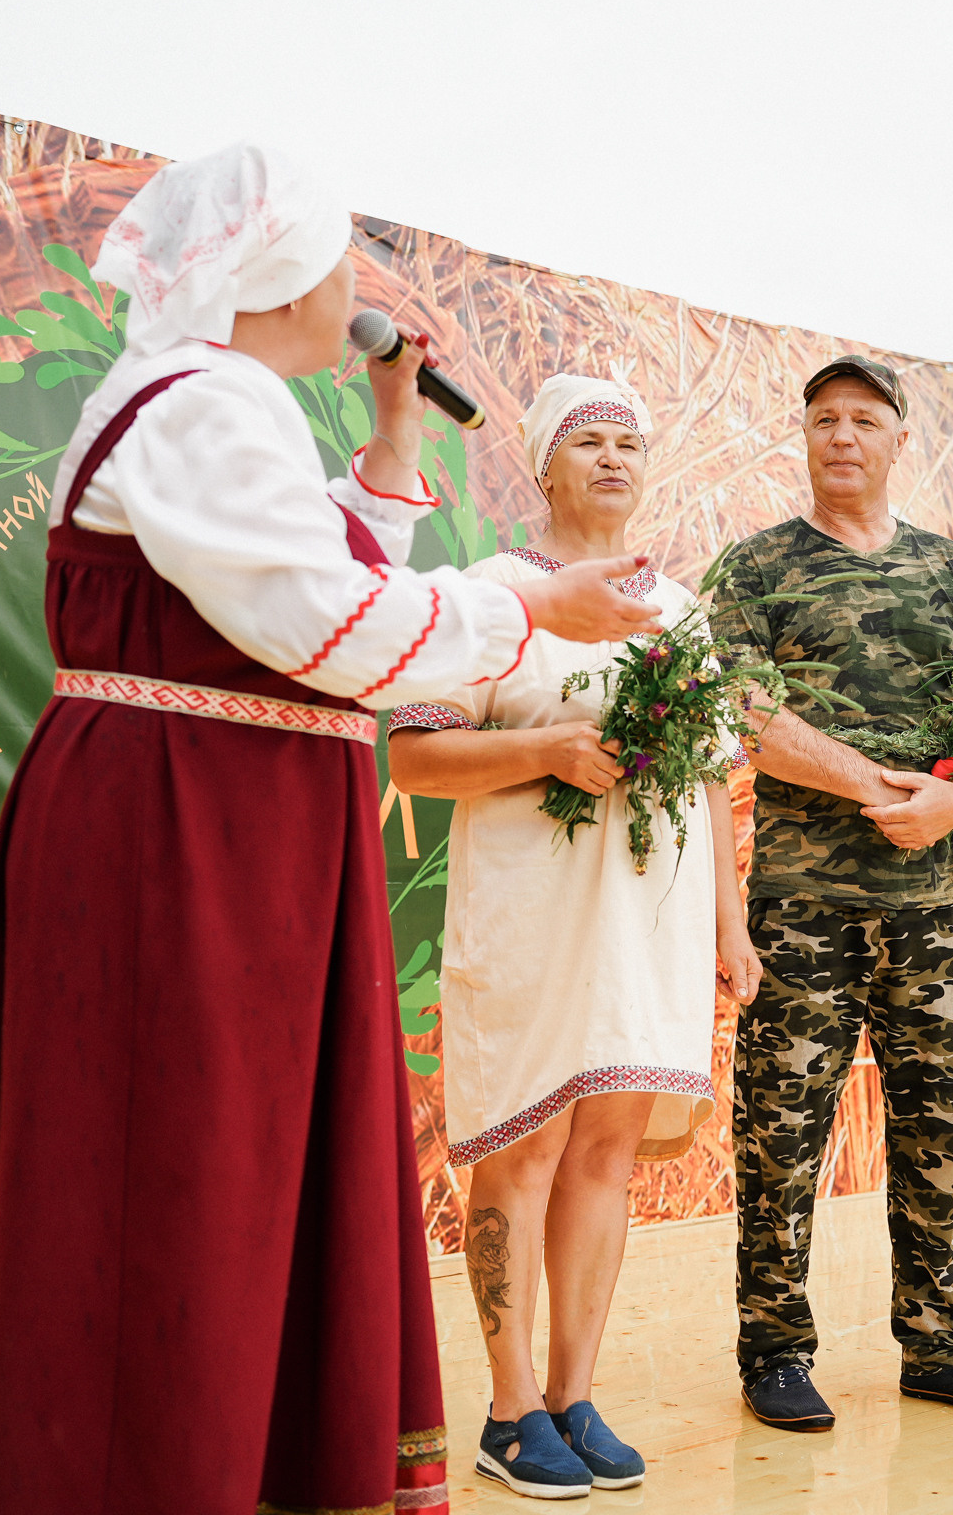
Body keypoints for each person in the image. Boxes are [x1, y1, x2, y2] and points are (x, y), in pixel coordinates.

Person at [0, 145, 660, 1515]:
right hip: (179, 836)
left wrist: (394, 430)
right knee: (176, 1162)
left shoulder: (221, 402)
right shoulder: (199, 402)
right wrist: (528, 608)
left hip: (234, 831)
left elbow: (318, 568)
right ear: (271, 277)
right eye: (336, 262)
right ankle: (150, 1475)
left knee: (238, 1165)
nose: (354, 290)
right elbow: (329, 625)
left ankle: (242, 1458)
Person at [387, 374, 761, 1498]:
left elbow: (707, 778)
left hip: (649, 918)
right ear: (543, 465)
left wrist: (728, 925)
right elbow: (415, 756)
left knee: (606, 1152)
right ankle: (508, 1413)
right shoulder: (494, 594)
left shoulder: (677, 609)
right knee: (526, 1150)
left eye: (628, 442)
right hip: (533, 916)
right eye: (587, 440)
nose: (612, 458)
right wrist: (545, 750)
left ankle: (573, 1396)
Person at [715, 354, 953, 1431]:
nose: (842, 435)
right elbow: (748, 711)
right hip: (804, 898)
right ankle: (774, 1351)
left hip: (932, 899)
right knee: (782, 1132)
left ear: (900, 439)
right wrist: (873, 786)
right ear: (805, 438)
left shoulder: (951, 570)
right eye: (824, 419)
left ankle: (940, 1346)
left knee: (934, 1128)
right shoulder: (757, 568)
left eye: (863, 419)